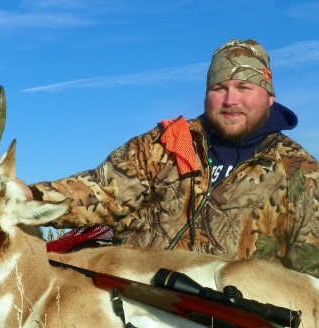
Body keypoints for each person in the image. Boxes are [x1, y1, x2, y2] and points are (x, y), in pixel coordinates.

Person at [29, 39, 319, 277]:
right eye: (220, 88)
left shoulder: (301, 174)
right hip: (131, 304)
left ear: (269, 96)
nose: (231, 100)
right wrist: (28, 195)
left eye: (245, 88)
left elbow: (310, 275)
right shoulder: (168, 143)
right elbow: (100, 190)